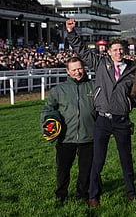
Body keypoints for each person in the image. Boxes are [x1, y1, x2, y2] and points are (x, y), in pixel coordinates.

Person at [65, 18, 136, 208]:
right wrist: (72, 33)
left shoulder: (132, 70)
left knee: (126, 159)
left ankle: (131, 192)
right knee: (98, 160)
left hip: (122, 120)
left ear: (124, 51)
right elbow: (81, 50)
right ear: (108, 52)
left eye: (121, 49)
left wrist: (135, 103)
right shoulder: (99, 63)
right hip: (102, 121)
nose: (118, 52)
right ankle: (93, 195)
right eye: (114, 50)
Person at [40, 56, 95, 205]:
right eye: (74, 70)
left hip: (88, 137)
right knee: (63, 170)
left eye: (80, 68)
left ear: (84, 68)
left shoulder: (94, 86)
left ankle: (82, 195)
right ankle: (61, 195)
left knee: (86, 170)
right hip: (65, 138)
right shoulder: (59, 90)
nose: (77, 72)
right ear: (68, 72)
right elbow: (48, 109)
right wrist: (49, 123)